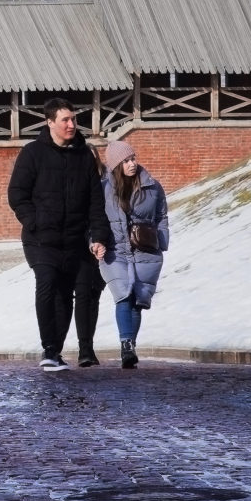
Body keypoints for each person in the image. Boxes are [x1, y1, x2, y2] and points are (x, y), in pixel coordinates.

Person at [6, 99, 109, 371]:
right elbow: (17, 194)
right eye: (65, 120)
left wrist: (98, 236)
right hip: (40, 239)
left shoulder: (84, 156)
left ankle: (57, 350)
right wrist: (34, 221)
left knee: (66, 293)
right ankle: (49, 349)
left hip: (74, 240)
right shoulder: (32, 153)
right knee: (48, 283)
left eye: (73, 119)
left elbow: (95, 202)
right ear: (49, 122)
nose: (71, 125)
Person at [98, 140, 170, 370]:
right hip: (115, 250)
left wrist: (161, 240)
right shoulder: (104, 189)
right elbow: (95, 221)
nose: (132, 163)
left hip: (145, 250)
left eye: (133, 158)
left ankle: (130, 347)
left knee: (138, 301)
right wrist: (94, 242)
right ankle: (126, 344)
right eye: (126, 160)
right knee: (123, 295)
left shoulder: (152, 187)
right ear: (116, 165)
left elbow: (162, 216)